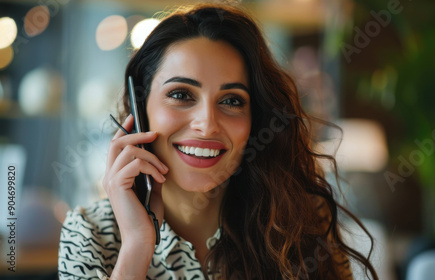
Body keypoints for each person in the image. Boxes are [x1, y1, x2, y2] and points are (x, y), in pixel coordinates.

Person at [58, 3, 378, 279]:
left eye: (232, 101)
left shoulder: (301, 219)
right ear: (140, 109)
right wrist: (138, 246)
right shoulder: (89, 232)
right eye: (181, 95)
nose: (207, 125)